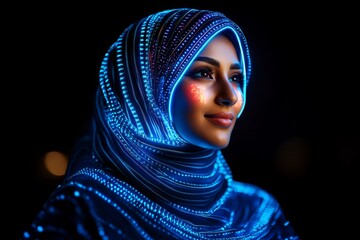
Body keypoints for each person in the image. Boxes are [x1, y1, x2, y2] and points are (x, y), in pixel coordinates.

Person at [22, 8, 299, 239]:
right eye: (204, 73)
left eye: (236, 77)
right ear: (145, 87)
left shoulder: (259, 213)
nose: (230, 96)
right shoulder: (88, 206)